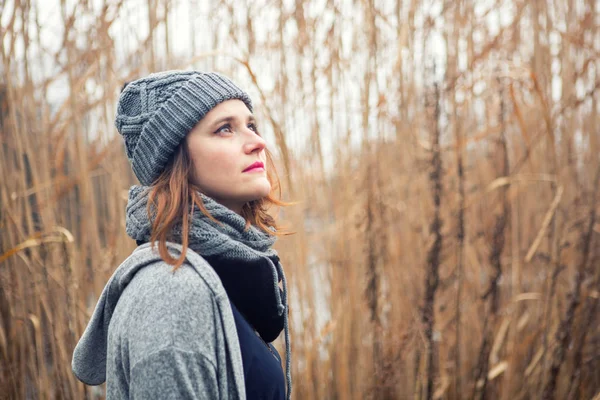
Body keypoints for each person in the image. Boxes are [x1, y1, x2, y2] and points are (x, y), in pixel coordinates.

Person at [71, 70, 294, 400]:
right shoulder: (172, 295)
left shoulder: (219, 274)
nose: (257, 142)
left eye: (251, 125)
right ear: (176, 158)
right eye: (224, 129)